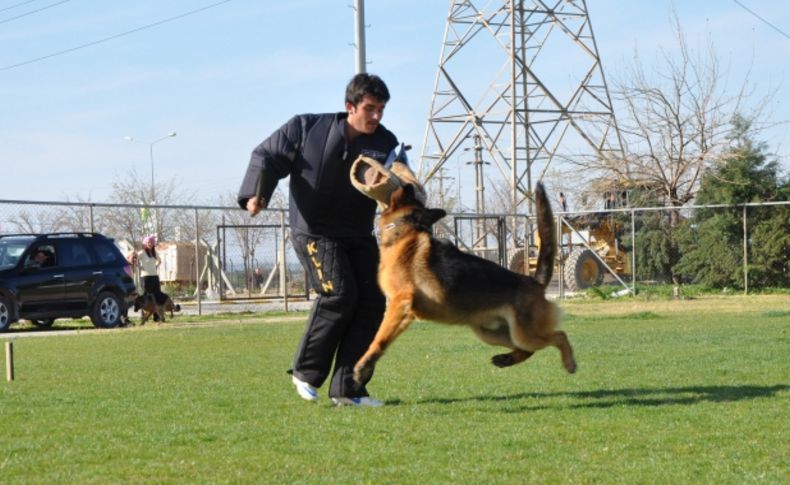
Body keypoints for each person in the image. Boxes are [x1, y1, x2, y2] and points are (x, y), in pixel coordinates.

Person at [237, 73, 404, 407]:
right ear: (349, 106)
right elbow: (266, 156)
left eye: (381, 110)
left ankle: (350, 390)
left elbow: (402, 177)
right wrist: (256, 194)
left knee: (371, 304)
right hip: (314, 231)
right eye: (369, 108)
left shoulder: (386, 142)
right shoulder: (305, 129)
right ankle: (306, 372)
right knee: (340, 294)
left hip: (357, 233)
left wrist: (401, 189)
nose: (376, 117)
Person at [134, 235, 166, 306]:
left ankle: (156, 315)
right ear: (145, 243)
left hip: (154, 276)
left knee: (157, 294)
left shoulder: (154, 253)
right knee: (147, 294)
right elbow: (134, 259)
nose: (150, 244)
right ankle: (144, 313)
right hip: (146, 277)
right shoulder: (142, 252)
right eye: (148, 242)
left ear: (153, 243)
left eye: (151, 242)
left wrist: (156, 266)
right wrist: (140, 267)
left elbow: (159, 260)